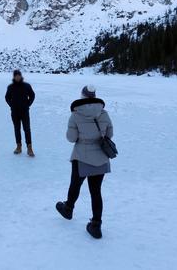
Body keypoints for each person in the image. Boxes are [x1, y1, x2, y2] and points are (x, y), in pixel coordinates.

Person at [56, 85, 113, 239]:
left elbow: (71, 138)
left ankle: (68, 208)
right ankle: (96, 225)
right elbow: (110, 134)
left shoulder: (75, 115)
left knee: (75, 184)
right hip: (101, 157)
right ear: (94, 96)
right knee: (96, 191)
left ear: (82, 96)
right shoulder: (104, 114)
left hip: (81, 156)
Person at [4, 69, 36, 156]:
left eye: (18, 76)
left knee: (27, 129)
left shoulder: (26, 86)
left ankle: (29, 147)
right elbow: (7, 97)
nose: (17, 77)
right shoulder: (10, 87)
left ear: (20, 76)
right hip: (15, 112)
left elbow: (32, 95)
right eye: (16, 76)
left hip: (24, 111)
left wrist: (28, 104)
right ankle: (19, 146)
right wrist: (11, 105)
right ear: (14, 77)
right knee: (17, 129)